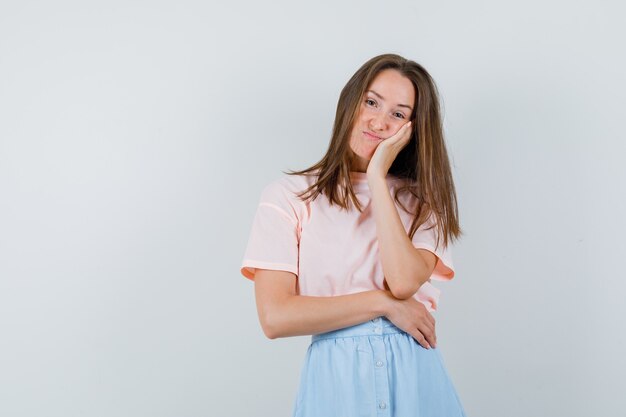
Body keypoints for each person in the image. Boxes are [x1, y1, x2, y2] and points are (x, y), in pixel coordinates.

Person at [240, 53, 467, 417]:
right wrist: (383, 303)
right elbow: (275, 317)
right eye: (372, 102)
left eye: (398, 113)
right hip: (336, 386)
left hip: (417, 383)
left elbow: (405, 282)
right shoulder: (287, 198)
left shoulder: (424, 201)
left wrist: (377, 177)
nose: (379, 121)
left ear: (412, 127)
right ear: (351, 101)